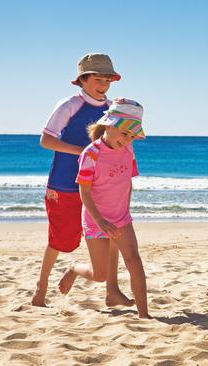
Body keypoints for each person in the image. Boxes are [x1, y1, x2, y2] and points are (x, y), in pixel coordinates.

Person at [32, 53, 133, 308]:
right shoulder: (69, 105)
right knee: (60, 241)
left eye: (107, 79)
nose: (103, 84)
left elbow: (118, 140)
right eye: (98, 79)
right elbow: (46, 140)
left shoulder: (111, 109)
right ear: (83, 80)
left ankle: (112, 292)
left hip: (98, 186)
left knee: (108, 235)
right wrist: (84, 152)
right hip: (64, 183)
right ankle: (40, 291)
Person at [58, 98, 150, 319]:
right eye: (123, 133)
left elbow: (127, 183)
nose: (127, 139)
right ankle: (73, 269)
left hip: (121, 218)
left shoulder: (128, 150)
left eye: (131, 135)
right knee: (100, 274)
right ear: (109, 125)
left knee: (134, 261)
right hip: (95, 220)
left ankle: (144, 314)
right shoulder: (91, 154)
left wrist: (124, 211)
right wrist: (100, 221)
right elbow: (85, 192)